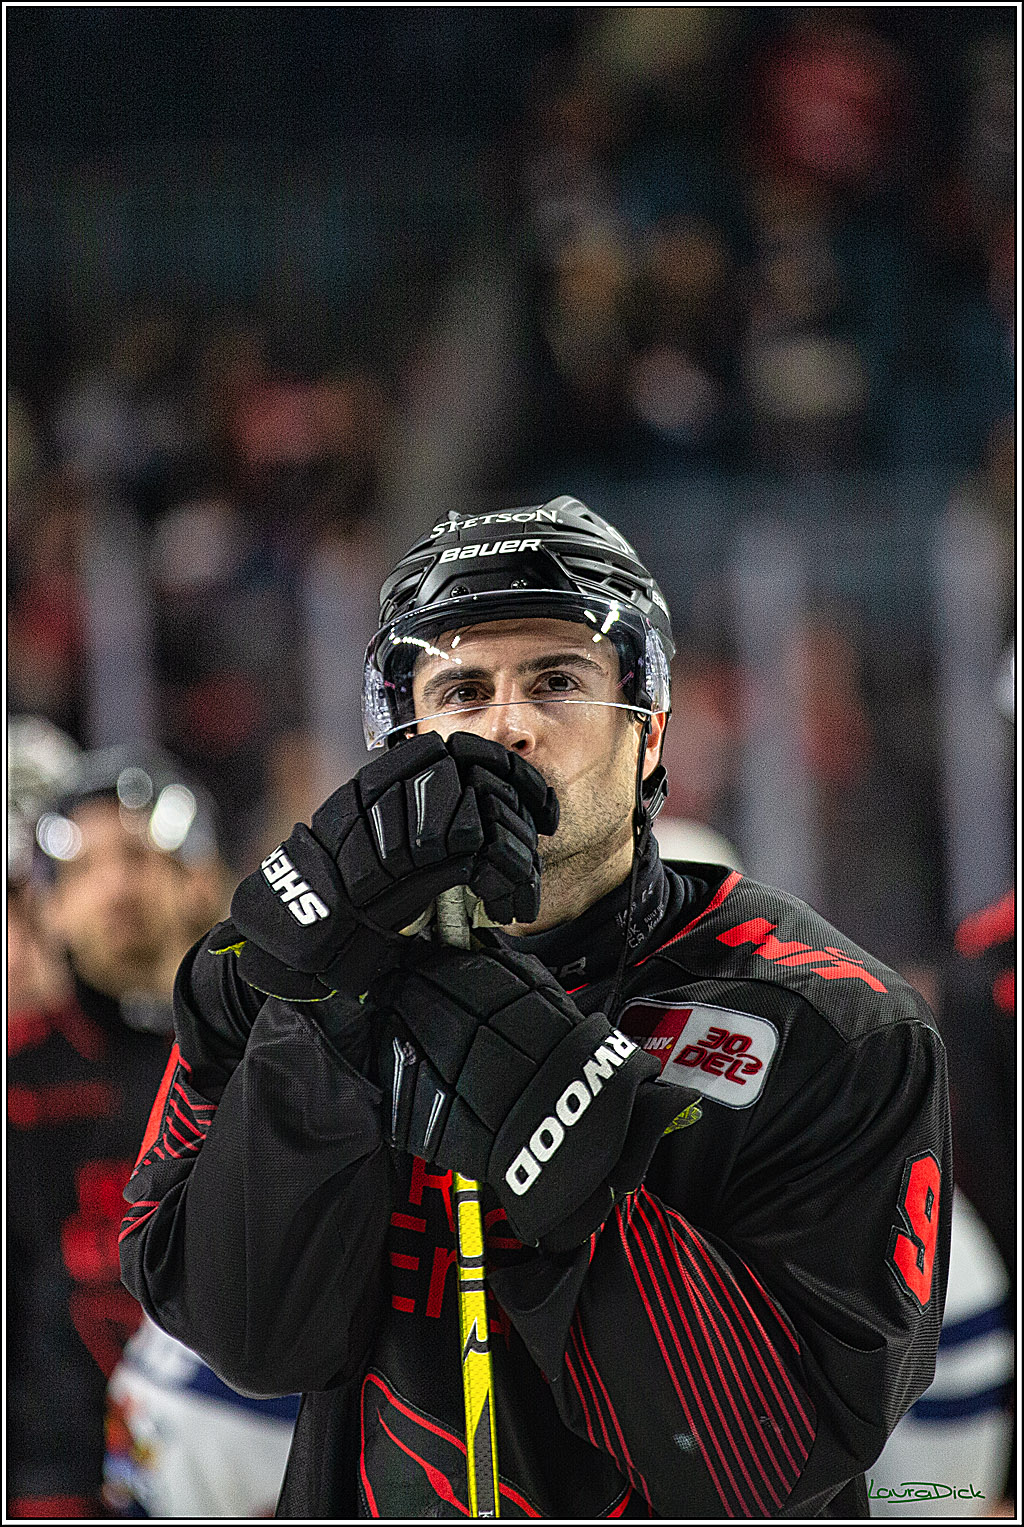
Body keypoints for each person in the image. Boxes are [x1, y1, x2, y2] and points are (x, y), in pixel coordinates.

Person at [120, 496, 951, 1518]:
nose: (505, 726)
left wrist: (564, 1146)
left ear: (649, 731)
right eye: (462, 689)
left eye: (556, 681)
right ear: (406, 739)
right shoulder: (343, 977)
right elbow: (248, 1334)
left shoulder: (834, 1019)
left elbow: (770, 1463)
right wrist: (315, 1014)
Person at [7, 743, 297, 1518]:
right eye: (84, 867)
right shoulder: (17, 1091)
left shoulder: (284, 1050)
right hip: (68, 1489)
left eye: (137, 855)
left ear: (201, 875)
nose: (116, 886)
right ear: (50, 906)